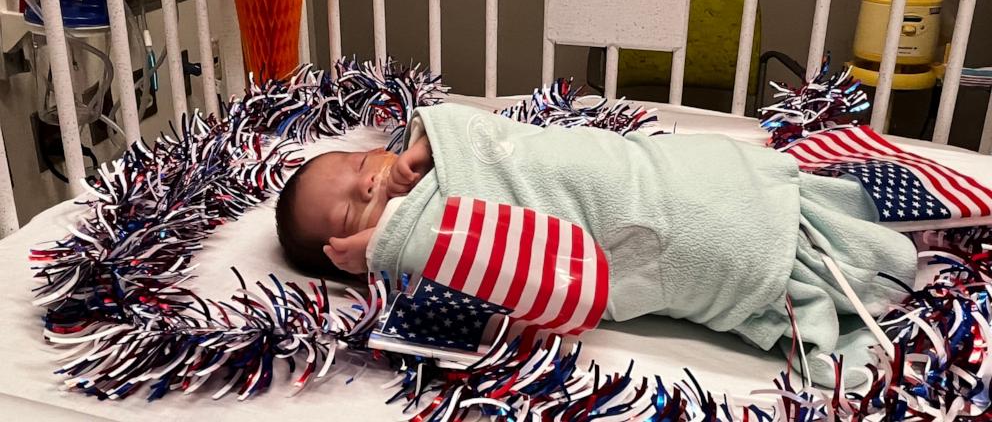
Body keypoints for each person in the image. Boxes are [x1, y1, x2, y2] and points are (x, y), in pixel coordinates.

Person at [276, 102, 917, 381]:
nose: (371, 187)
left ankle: (800, 217)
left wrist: (427, 144)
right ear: (341, 254)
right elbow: (518, 273)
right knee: (673, 230)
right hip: (639, 234)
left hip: (625, 174)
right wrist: (388, 247)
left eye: (358, 169)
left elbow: (504, 146)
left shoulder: (430, 154)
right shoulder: (409, 255)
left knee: (640, 177)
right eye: (350, 212)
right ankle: (775, 262)